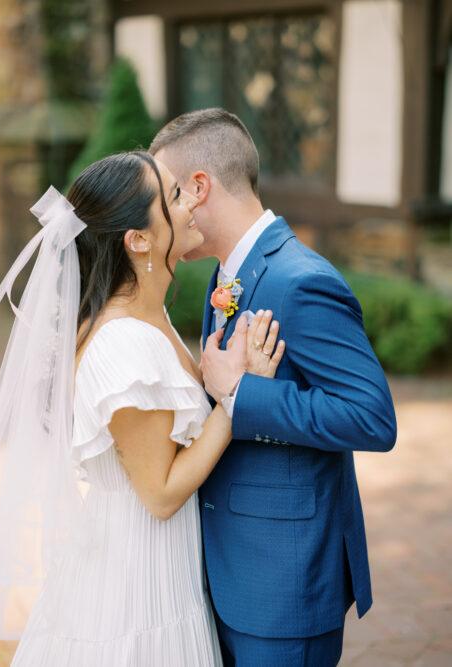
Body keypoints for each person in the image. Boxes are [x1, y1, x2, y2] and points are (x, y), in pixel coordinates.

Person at [0, 150, 285, 666]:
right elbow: (159, 493)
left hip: (155, 564)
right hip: (135, 585)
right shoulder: (124, 345)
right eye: (175, 196)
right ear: (138, 240)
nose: (192, 201)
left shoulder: (150, 319)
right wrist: (236, 398)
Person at [150, 108, 398, 667]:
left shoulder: (300, 281)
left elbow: (372, 417)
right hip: (232, 568)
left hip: (283, 584)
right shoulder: (227, 274)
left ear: (199, 187)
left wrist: (242, 395)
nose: (163, 211)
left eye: (168, 194)